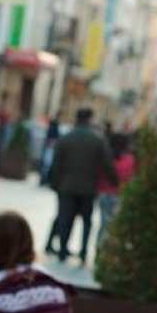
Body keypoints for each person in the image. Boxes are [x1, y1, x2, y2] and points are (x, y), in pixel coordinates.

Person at [49, 107, 117, 264]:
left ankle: (63, 249)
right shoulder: (97, 140)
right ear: (89, 119)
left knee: (65, 218)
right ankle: (83, 251)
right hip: (88, 187)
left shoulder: (66, 138)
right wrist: (114, 182)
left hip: (66, 186)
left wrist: (55, 183)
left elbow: (56, 163)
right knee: (87, 221)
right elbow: (107, 163)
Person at [96, 130, 136, 242]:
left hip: (103, 192)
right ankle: (111, 247)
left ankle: (100, 246)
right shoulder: (129, 159)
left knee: (104, 223)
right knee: (116, 225)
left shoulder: (106, 156)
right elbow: (130, 178)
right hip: (120, 194)